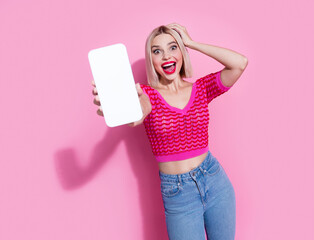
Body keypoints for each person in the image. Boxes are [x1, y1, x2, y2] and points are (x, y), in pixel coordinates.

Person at [92, 23, 248, 240]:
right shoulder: (147, 94)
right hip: (178, 193)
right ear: (152, 60)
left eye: (173, 47)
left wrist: (192, 43)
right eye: (157, 51)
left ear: (182, 53)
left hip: (215, 181)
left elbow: (239, 63)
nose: (166, 56)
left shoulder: (201, 89)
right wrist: (119, 109)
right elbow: (138, 114)